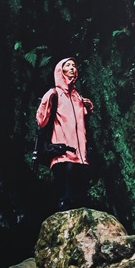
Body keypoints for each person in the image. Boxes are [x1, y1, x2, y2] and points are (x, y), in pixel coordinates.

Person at [35, 57, 93, 210]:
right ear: (60, 71)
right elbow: (41, 121)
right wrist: (47, 101)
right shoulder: (54, 94)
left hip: (81, 157)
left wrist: (88, 108)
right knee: (66, 199)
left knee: (81, 200)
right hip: (63, 154)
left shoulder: (78, 98)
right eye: (68, 65)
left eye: (74, 65)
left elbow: (81, 124)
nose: (72, 68)